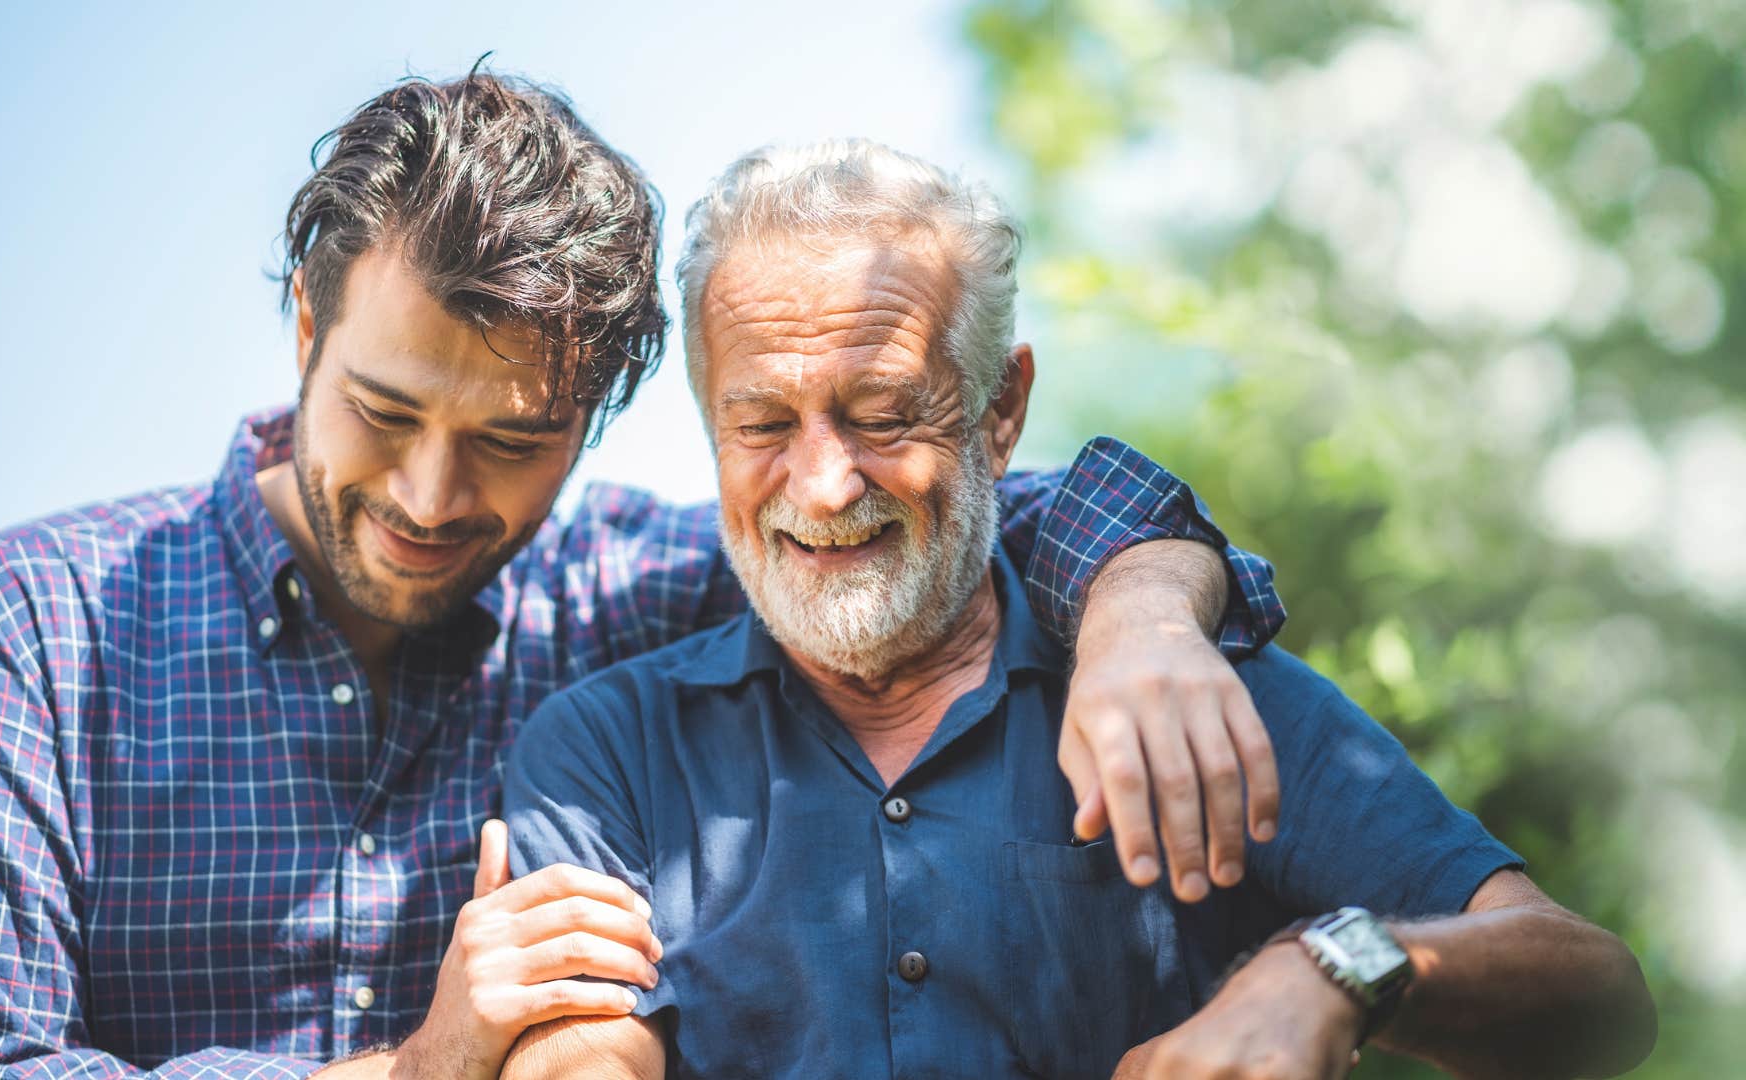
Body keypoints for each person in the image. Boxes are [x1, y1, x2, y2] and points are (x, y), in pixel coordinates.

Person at [0, 72, 1291, 1078]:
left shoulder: (631, 591)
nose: (432, 497)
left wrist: (1143, 613)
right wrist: (419, 1075)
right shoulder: (35, 625)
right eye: (383, 410)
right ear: (305, 326)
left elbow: (959, 508)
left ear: (600, 418)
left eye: (511, 439)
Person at [498, 139, 1658, 1079]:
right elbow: (587, 1051)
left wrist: (1332, 968)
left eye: (885, 412)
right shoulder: (604, 747)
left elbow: (1594, 991)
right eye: (761, 425)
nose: (822, 484)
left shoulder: (1186, 689)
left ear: (1001, 410)